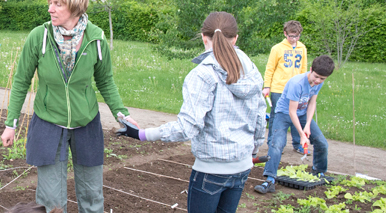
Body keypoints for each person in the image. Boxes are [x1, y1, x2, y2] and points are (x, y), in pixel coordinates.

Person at [0, 0, 139, 213]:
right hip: (48, 122)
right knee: (50, 199)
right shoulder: (39, 37)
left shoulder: (96, 38)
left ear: (75, 6)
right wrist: (11, 124)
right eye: (50, 3)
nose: (50, 9)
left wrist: (121, 113)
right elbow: (21, 81)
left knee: (92, 194)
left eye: (57, 4)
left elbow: (105, 80)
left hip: (86, 123)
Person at [118, 12, 267, 213]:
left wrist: (141, 134)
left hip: (211, 171)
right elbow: (260, 115)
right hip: (242, 167)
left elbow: (187, 127)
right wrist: (254, 150)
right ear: (236, 38)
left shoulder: (203, 74)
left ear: (204, 37)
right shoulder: (251, 71)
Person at [255, 55, 335, 194]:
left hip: (303, 114)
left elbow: (312, 103)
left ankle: (319, 173)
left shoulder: (318, 83)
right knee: (277, 144)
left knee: (321, 142)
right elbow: (292, 112)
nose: (318, 81)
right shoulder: (296, 83)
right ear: (311, 69)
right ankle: (269, 179)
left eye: (322, 79)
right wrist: (302, 135)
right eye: (316, 76)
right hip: (284, 114)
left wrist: (308, 125)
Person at [262, 21, 308, 154]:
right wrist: (267, 86)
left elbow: (304, 69)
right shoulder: (277, 48)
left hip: (296, 90)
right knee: (276, 116)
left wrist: (304, 87)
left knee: (297, 115)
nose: (294, 39)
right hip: (279, 88)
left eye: (297, 36)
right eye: (291, 36)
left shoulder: (302, 48)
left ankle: (298, 143)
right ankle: (273, 142)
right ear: (285, 34)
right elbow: (270, 68)